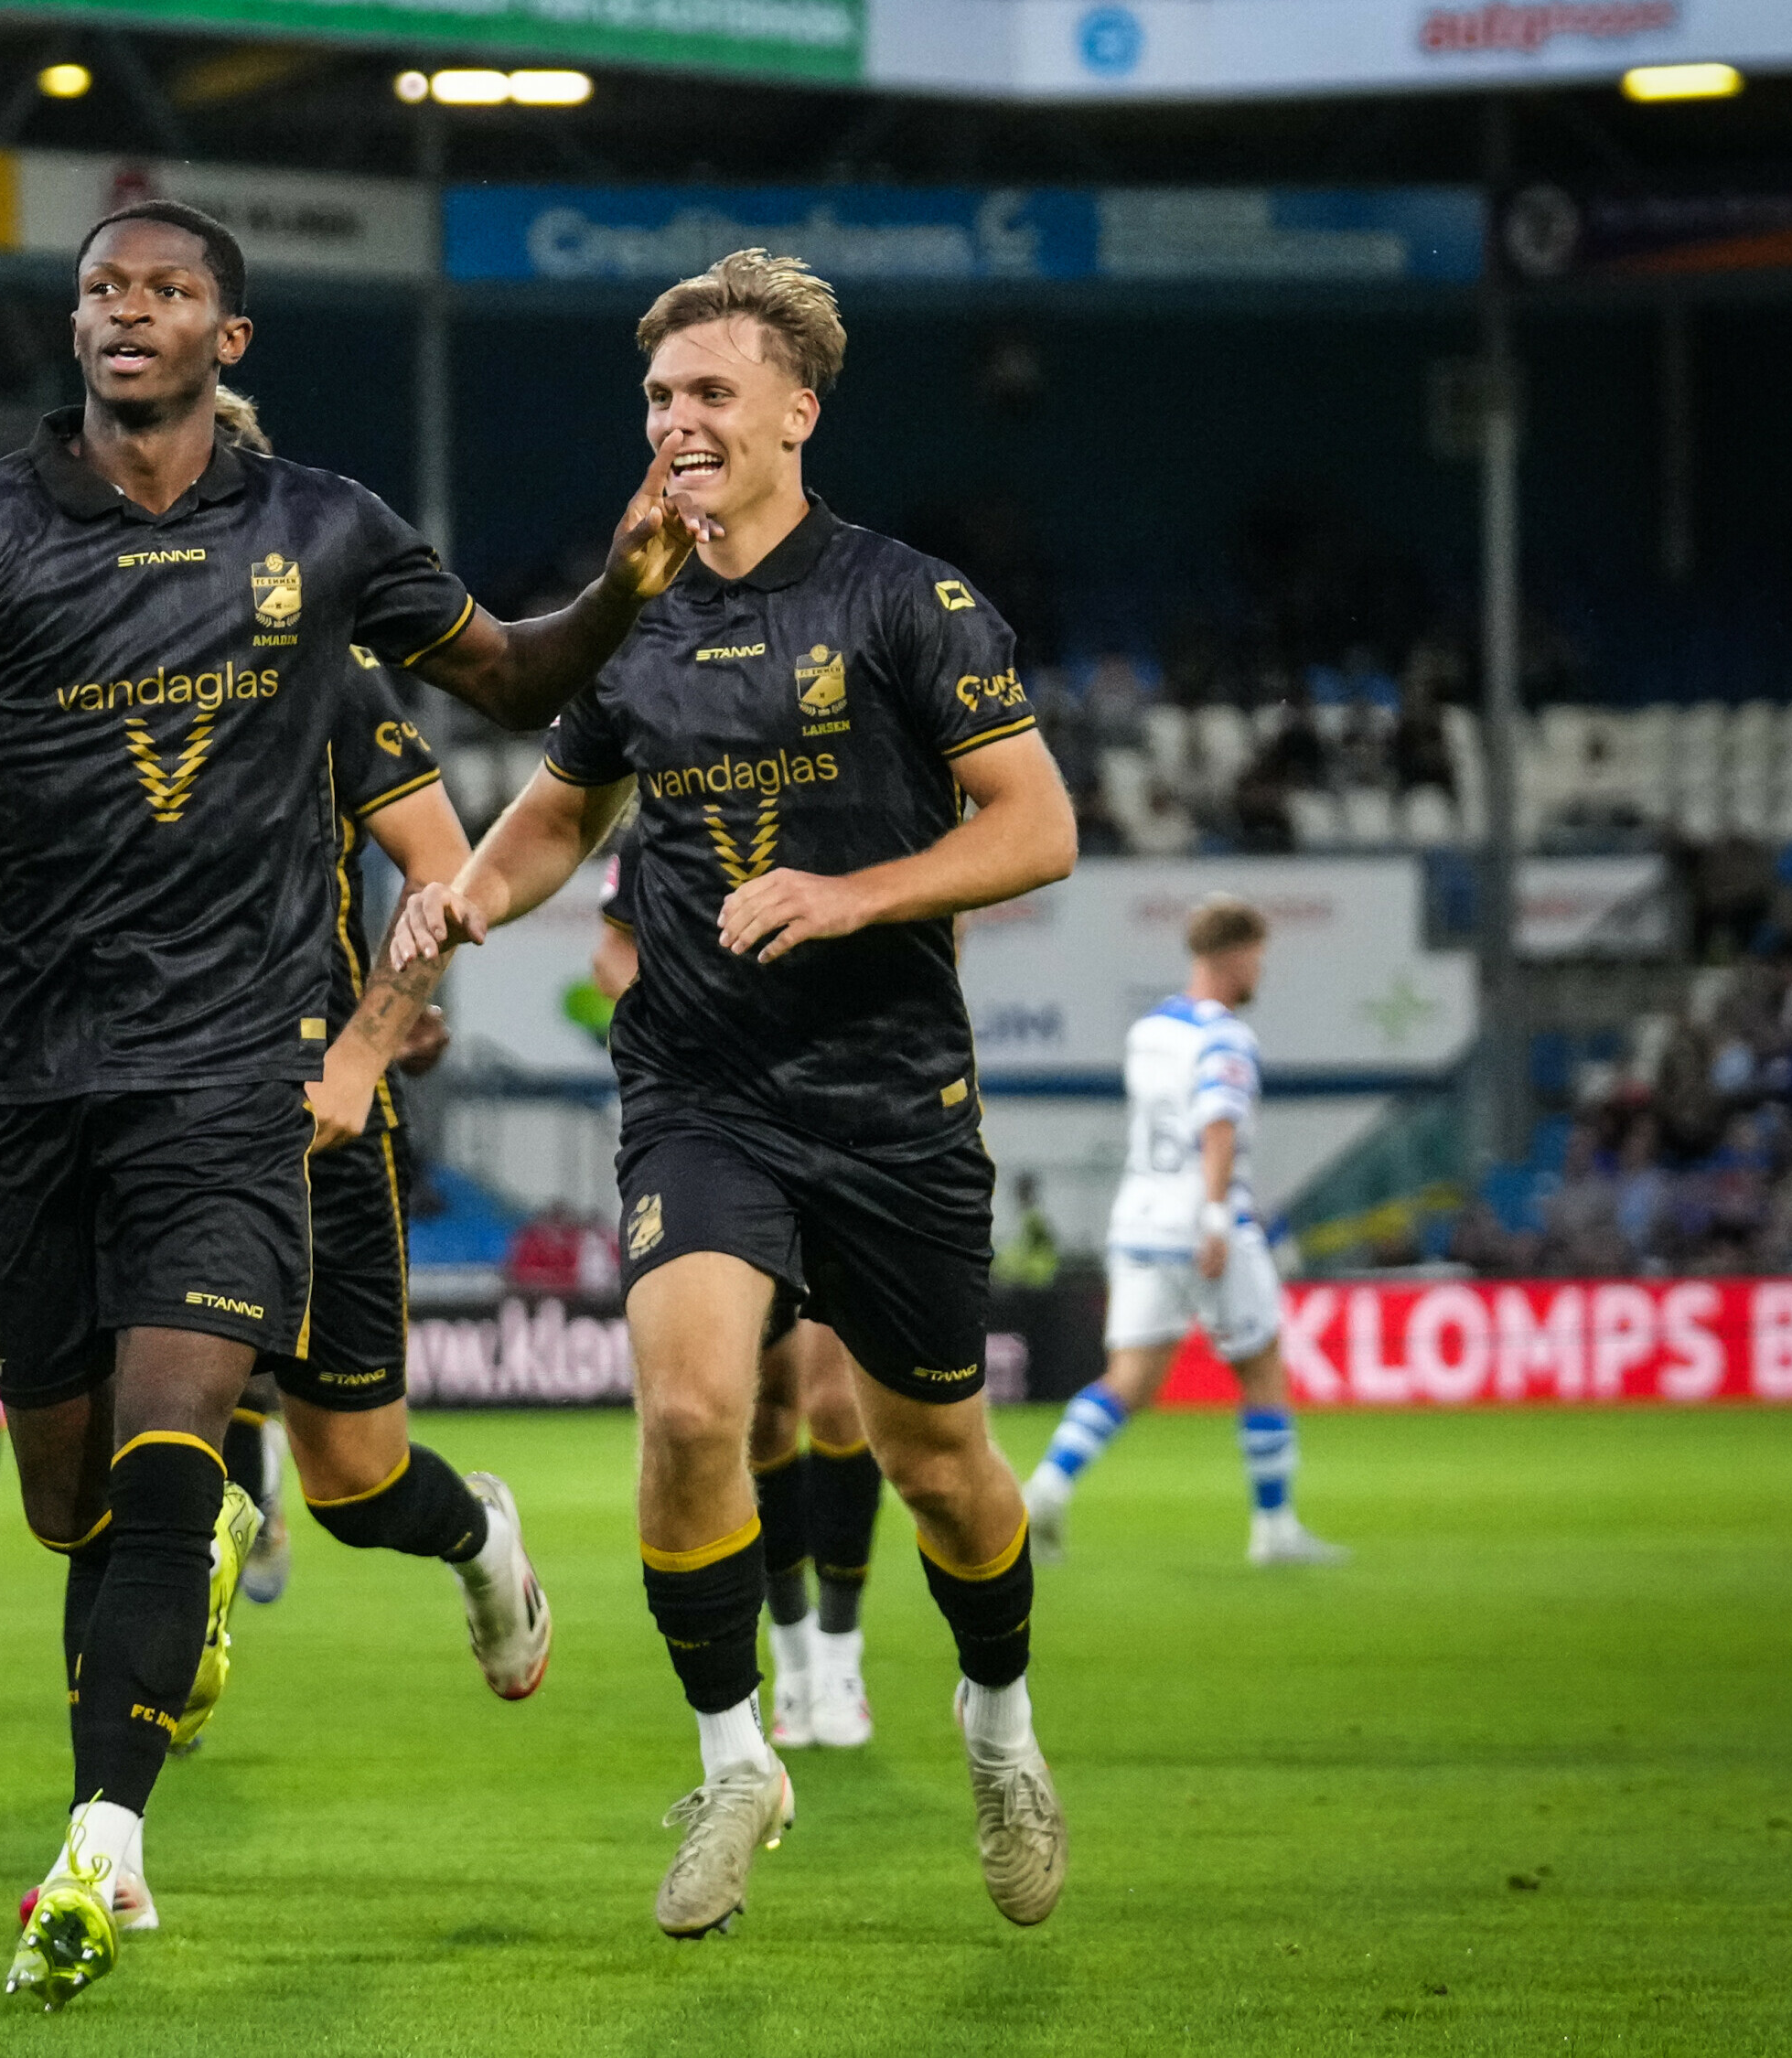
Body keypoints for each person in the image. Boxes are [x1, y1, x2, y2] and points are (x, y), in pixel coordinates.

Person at [0, 200, 695, 2007]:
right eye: (102, 287)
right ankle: (296, 1603)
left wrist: (624, 590)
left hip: (244, 1075)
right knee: (70, 1502)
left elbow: (508, 683)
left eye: (167, 289)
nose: (128, 309)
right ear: (73, 326)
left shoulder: (325, 538)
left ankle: (100, 1846)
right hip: (29, 1081)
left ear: (227, 338)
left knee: (184, 1434)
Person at [391, 248, 1077, 1941]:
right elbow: (561, 813)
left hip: (890, 1094)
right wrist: (466, 900)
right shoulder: (632, 618)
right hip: (701, 1086)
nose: (676, 421)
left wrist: (853, 896)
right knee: (695, 1414)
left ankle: (1000, 1726)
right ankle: (732, 1760)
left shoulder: (909, 601)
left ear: (795, 414)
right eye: (658, 397)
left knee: (939, 1466)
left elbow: (1037, 826)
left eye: (709, 392)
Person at [189, 385, 496, 1740]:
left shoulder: (327, 670)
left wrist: (368, 1040)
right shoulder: (67, 654)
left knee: (359, 1487)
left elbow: (445, 869)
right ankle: (153, 1677)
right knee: (145, 1416)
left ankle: (477, 1534)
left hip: (311, 1107)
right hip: (135, 1093)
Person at [603, 852, 884, 1750]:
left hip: (850, 1119)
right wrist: (689, 1024)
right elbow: (612, 952)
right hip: (728, 1139)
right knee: (763, 1419)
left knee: (840, 1403)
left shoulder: (859, 799)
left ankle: (840, 1653)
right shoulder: (674, 807)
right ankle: (792, 1651)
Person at [1026, 895, 1346, 1569]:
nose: (1261, 970)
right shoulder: (1226, 1037)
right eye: (1257, 956)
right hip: (1204, 1221)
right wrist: (1216, 1217)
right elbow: (1217, 1124)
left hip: (1139, 1220)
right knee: (1262, 1368)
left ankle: (1047, 1487)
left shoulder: (1148, 1032)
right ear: (1234, 955)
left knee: (1130, 1379)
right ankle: (1275, 1529)